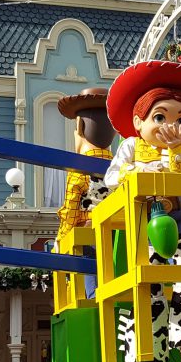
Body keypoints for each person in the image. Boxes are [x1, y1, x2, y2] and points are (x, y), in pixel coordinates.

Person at [104, 60, 181, 362]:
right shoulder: (131, 146)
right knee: (149, 285)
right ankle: (148, 354)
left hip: (178, 218)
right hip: (144, 223)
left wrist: (174, 150)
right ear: (138, 121)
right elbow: (112, 178)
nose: (172, 126)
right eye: (160, 117)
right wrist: (143, 170)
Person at [54, 87, 115, 299]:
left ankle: (93, 299)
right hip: (119, 241)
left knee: (90, 278)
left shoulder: (79, 170)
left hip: (90, 238)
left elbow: (70, 212)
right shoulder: (121, 166)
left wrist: (60, 242)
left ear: (79, 128)